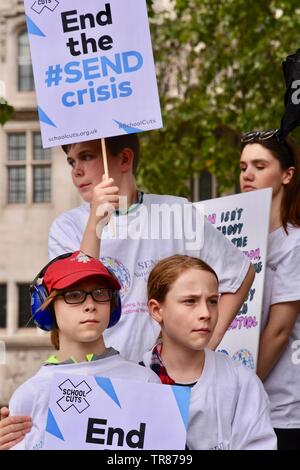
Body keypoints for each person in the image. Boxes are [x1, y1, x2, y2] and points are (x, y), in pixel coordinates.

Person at [48, 134, 255, 362]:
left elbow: (241, 274)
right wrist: (94, 224)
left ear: (125, 159)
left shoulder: (177, 212)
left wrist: (203, 350)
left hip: (164, 381)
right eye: (71, 161)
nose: (76, 171)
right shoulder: (66, 227)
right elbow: (75, 295)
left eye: (86, 156)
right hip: (95, 373)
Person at [0, 251, 160, 450]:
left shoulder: (145, 382)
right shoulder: (30, 395)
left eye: (100, 293)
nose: (91, 305)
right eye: (73, 295)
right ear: (46, 307)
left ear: (113, 305)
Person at [142, 254, 277, 450]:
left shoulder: (240, 382)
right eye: (190, 301)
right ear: (156, 310)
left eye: (213, 301)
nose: (206, 313)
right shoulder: (134, 381)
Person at [240, 129, 300, 450]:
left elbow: (279, 330)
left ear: (287, 175)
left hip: (284, 409)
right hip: (251, 407)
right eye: (243, 166)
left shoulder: (295, 242)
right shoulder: (242, 243)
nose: (247, 174)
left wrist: (239, 389)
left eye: (260, 166)